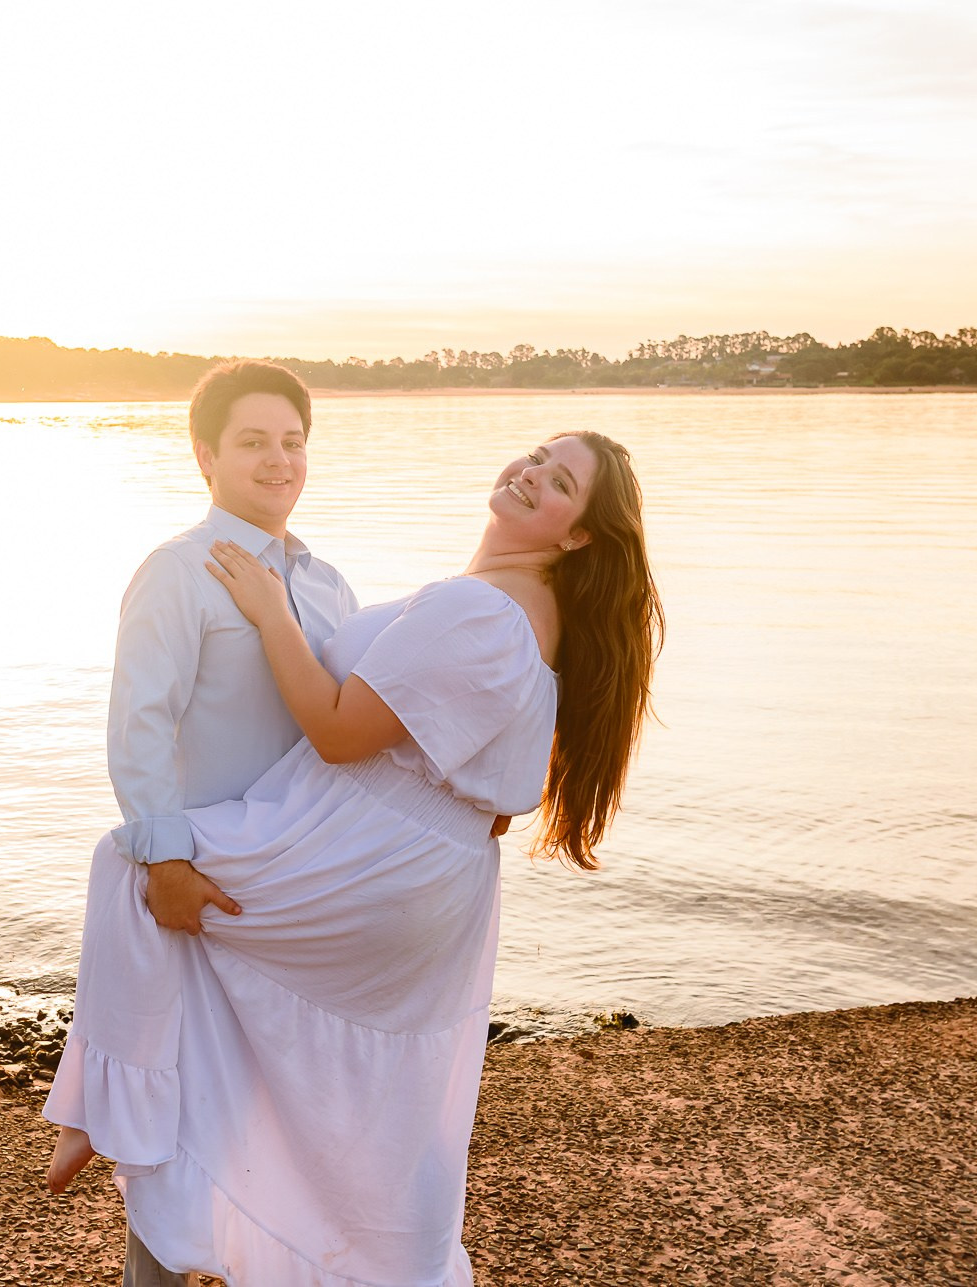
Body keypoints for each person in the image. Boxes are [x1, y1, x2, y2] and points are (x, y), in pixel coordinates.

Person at [44, 430, 662, 1286]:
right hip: (434, 872)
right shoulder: (530, 617)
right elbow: (495, 802)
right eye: (533, 456)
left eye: (558, 483)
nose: (527, 475)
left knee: (134, 864)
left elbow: (336, 732)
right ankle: (133, 1118)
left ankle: (106, 1111)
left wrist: (269, 610)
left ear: (577, 535)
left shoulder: (478, 608)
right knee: (344, 1083)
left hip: (369, 849)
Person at [57, 360, 361, 1283]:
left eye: (293, 441)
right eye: (254, 441)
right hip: (207, 880)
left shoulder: (330, 583)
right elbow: (138, 723)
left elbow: (345, 728)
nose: (279, 460)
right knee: (180, 1112)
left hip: (292, 888)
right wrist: (165, 858)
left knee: (285, 1111)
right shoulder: (177, 570)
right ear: (206, 455)